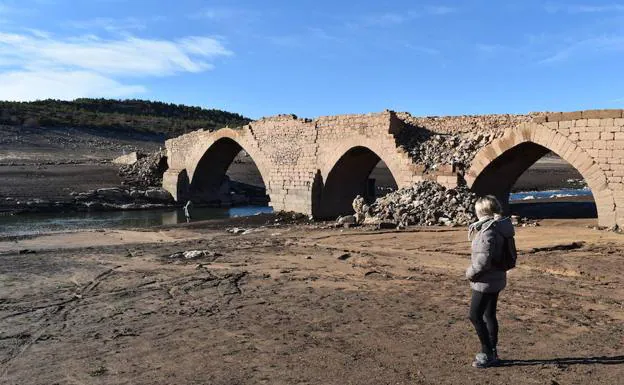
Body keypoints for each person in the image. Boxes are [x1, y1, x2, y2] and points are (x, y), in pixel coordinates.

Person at [466, 195, 515, 368]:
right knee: (489, 315)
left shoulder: (487, 231)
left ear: (482, 210)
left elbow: (483, 260)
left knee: (475, 315)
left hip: (485, 280)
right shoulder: (501, 227)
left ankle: (487, 353)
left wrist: (470, 273)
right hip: (497, 277)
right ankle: (492, 351)